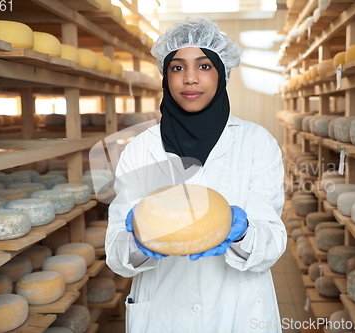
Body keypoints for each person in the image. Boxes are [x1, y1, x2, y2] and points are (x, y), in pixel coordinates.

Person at [105, 17, 287, 332]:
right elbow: (116, 255)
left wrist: (240, 233)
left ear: (222, 74)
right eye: (178, 68)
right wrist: (138, 240)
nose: (190, 79)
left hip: (238, 311)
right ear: (165, 76)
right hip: (164, 311)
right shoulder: (139, 149)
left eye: (204, 66)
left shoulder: (258, 143)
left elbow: (271, 243)